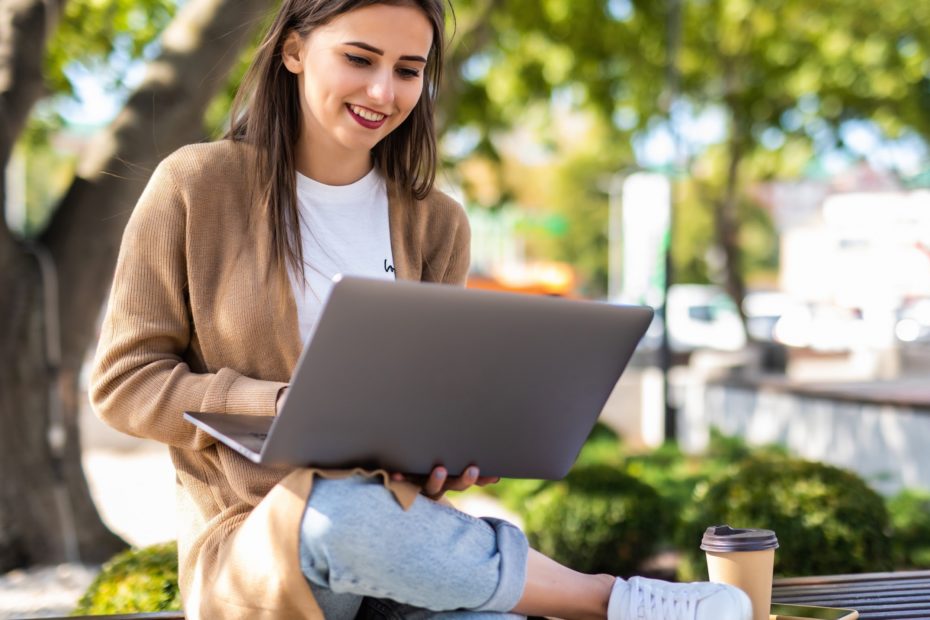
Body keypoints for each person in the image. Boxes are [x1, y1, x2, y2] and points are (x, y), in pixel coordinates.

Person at [89, 1, 753, 618]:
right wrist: (277, 404)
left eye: (408, 70)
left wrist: (451, 450)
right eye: (359, 59)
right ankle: (609, 599)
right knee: (338, 515)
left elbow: (429, 397)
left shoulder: (437, 224)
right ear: (293, 50)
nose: (384, 92)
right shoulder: (195, 187)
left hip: (400, 537)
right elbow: (123, 382)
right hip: (264, 547)